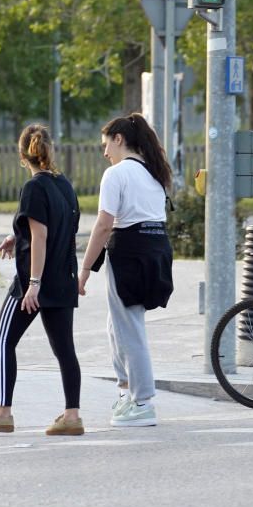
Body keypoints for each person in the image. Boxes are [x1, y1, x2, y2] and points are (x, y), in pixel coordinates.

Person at [0, 124, 83, 436]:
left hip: (33, 283)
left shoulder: (34, 187)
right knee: (65, 350)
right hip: (63, 278)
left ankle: (2, 412)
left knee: (4, 340)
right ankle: (72, 415)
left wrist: (33, 283)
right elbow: (56, 228)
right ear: (50, 150)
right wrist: (14, 235)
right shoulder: (65, 185)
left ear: (22, 155)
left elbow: (41, 235)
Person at [78, 112, 173, 428]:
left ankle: (142, 402)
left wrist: (85, 269)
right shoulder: (153, 174)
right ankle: (125, 392)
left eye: (106, 145)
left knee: (129, 328)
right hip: (156, 250)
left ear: (119, 139)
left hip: (129, 252)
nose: (105, 153)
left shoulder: (116, 175)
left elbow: (104, 225)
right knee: (117, 325)